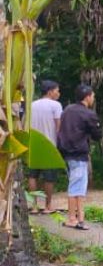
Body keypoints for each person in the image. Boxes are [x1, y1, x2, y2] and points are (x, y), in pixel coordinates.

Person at [57, 84, 102, 230]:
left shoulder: (67, 110)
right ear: (88, 96)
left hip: (66, 153)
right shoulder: (88, 114)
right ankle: (72, 218)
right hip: (79, 154)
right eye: (93, 96)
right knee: (77, 186)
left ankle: (79, 218)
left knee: (77, 185)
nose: (93, 98)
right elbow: (97, 135)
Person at [27, 80, 63, 214]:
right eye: (57, 90)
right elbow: (59, 126)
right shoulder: (56, 105)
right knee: (49, 177)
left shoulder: (32, 105)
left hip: (34, 144)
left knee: (33, 175)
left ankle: (34, 205)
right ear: (50, 91)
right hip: (49, 145)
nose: (58, 93)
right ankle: (48, 206)